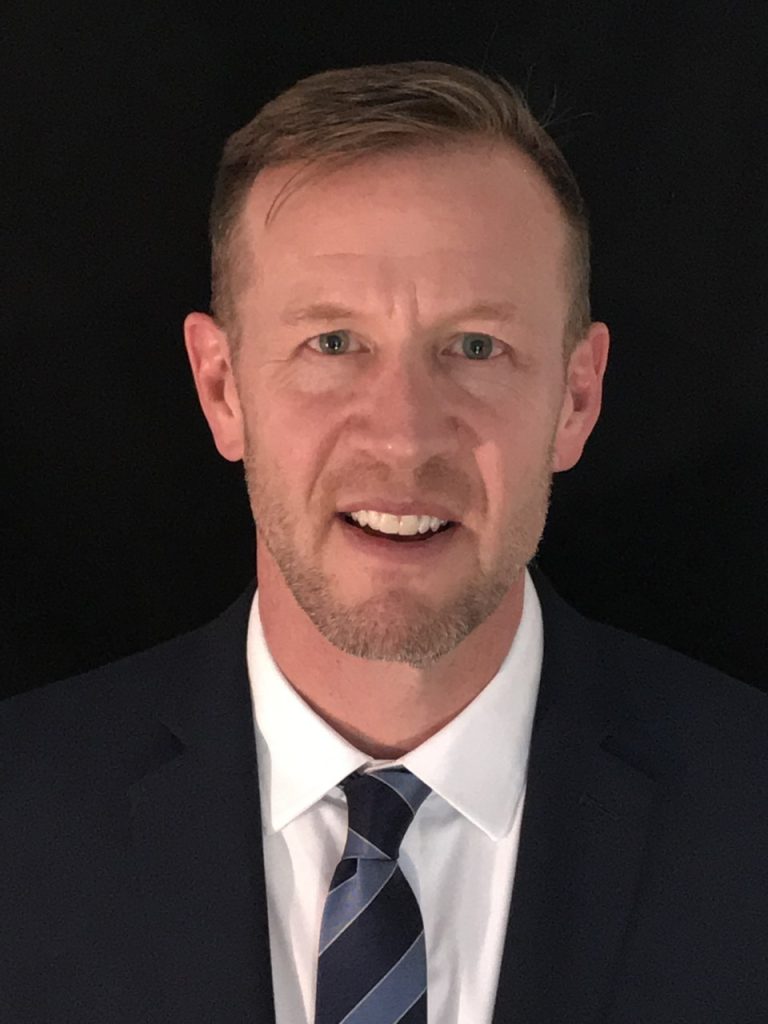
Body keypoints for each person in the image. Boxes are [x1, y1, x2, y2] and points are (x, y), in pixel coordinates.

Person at [2, 60, 766, 1024]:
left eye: (476, 347)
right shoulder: (20, 817)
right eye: (333, 343)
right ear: (222, 388)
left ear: (576, 399)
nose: (404, 438)